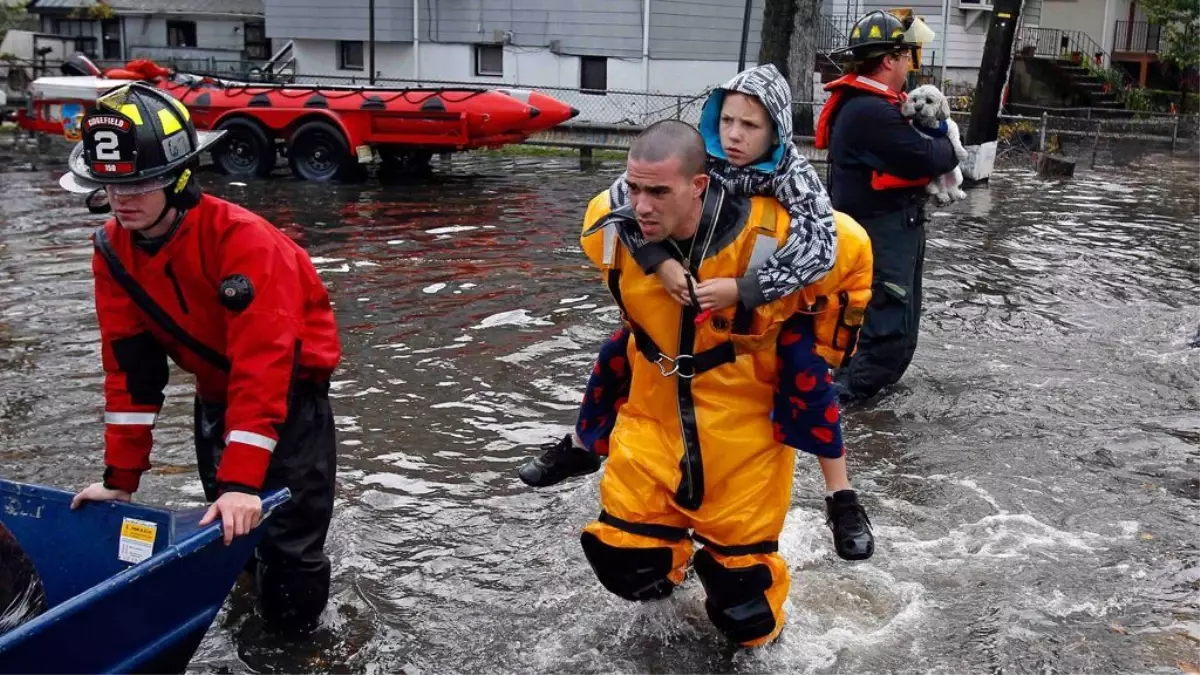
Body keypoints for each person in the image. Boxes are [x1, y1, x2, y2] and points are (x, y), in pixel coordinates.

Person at [518, 64, 876, 561]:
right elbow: (625, 200)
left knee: (806, 376)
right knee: (618, 352)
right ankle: (582, 444)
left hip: (762, 308)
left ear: (774, 128)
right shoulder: (690, 159)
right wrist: (657, 261)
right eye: (727, 120)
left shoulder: (794, 176)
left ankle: (841, 497)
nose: (734, 135)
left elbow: (821, 247)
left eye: (749, 126)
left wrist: (743, 289)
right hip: (678, 323)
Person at [574, 120, 873, 648]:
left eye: (658, 192)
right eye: (635, 188)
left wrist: (807, 337)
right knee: (622, 562)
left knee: (745, 612)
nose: (641, 205)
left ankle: (755, 578)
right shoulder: (611, 220)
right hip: (653, 419)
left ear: (699, 185)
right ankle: (671, 560)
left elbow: (848, 261)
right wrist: (656, 259)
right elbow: (623, 270)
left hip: (744, 434)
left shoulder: (789, 235)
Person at [60, 82, 341, 635]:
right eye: (111, 185)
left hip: (290, 404)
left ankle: (301, 650)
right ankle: (243, 610)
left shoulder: (246, 244)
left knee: (290, 549)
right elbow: (130, 373)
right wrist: (121, 479)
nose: (124, 200)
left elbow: (266, 367)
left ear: (181, 176)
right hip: (216, 398)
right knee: (229, 533)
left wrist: (242, 480)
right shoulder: (112, 253)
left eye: (141, 183)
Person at [818, 10, 960, 403]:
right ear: (888, 61)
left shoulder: (876, 106)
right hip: (880, 232)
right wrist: (949, 142)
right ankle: (850, 414)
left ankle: (871, 419)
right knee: (884, 324)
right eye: (907, 57)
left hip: (895, 228)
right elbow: (933, 157)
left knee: (896, 325)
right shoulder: (870, 111)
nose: (911, 66)